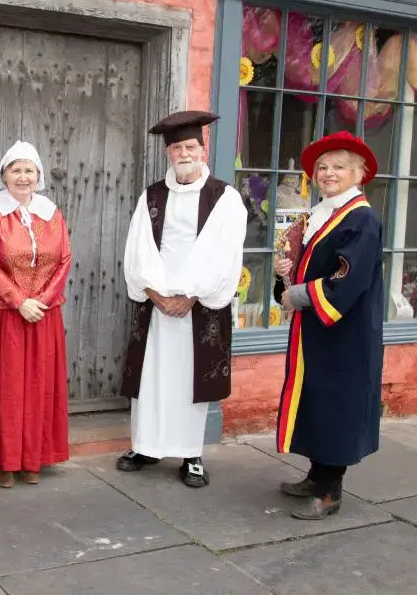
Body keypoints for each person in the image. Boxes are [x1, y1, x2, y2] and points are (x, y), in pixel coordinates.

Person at [117, 111, 247, 487]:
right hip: (157, 305)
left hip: (199, 306)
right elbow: (138, 249)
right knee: (151, 379)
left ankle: (191, 455)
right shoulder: (152, 196)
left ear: (203, 150)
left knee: (191, 381)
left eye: (191, 146)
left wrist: (189, 294)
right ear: (168, 153)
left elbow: (223, 254)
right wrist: (157, 295)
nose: (184, 154)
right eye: (177, 148)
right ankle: (145, 446)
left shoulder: (224, 198)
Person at [273, 131, 383, 520]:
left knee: (337, 406)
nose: (328, 173)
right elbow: (311, 266)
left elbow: (347, 278)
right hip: (318, 331)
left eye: (338, 166)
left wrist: (298, 294)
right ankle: (316, 476)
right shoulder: (324, 214)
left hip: (345, 334)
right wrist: (285, 272)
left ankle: (330, 492)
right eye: (322, 166)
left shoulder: (361, 219)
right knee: (317, 402)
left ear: (358, 173)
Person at [0, 141, 72, 487]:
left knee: (38, 384)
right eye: (16, 170)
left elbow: (64, 259)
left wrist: (42, 300)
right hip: (2, 313)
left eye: (29, 170)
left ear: (38, 176)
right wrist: (18, 301)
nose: (23, 177)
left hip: (42, 314)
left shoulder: (51, 213)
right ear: (4, 175)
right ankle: (3, 460)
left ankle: (31, 457)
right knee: (4, 385)